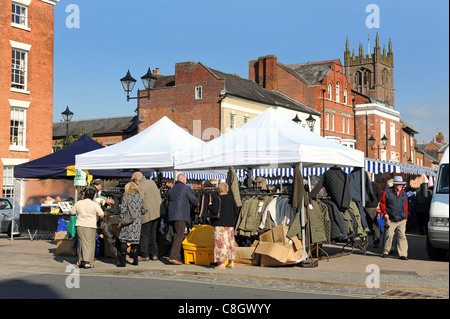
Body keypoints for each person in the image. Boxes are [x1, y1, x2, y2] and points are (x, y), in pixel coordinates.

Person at [165, 173, 198, 265]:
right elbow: (195, 201)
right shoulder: (186, 188)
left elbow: (166, 205)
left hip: (171, 216)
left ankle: (178, 258)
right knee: (178, 236)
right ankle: (173, 257)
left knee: (174, 237)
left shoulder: (171, 190)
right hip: (181, 216)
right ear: (183, 180)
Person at [131, 171, 163, 261]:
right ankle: (155, 254)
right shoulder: (152, 182)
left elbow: (139, 202)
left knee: (144, 234)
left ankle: (145, 255)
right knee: (154, 234)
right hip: (157, 213)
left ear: (137, 180)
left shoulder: (140, 187)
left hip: (147, 214)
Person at [70, 188, 104, 269]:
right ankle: (87, 262)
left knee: (81, 243)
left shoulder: (79, 203)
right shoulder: (94, 204)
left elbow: (72, 212)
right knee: (89, 243)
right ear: (93, 196)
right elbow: (101, 215)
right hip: (90, 225)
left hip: (79, 225)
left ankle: (80, 261)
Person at [117, 182, 148, 267]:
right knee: (135, 242)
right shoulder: (139, 197)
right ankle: (135, 260)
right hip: (137, 222)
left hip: (127, 222)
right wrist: (137, 213)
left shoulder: (126, 197)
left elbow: (123, 210)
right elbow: (145, 210)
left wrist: (120, 221)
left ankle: (123, 262)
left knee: (124, 241)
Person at [208, 183, 238, 269]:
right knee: (229, 243)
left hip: (220, 224)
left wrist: (209, 206)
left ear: (219, 189)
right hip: (230, 224)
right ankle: (231, 262)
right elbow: (235, 212)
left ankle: (222, 263)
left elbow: (214, 210)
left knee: (220, 244)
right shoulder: (231, 199)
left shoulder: (217, 199)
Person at [379, 176, 409, 260]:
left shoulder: (404, 193)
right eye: (398, 184)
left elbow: (405, 206)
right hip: (390, 218)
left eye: (401, 184)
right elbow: (382, 203)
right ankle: (385, 252)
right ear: (394, 184)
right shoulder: (387, 191)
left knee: (402, 236)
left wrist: (406, 217)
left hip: (402, 219)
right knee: (389, 235)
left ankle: (403, 254)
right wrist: (385, 213)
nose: (400, 186)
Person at [365, 180, 382, 248]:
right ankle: (375, 241)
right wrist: (376, 203)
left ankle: (366, 242)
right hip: (372, 206)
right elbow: (379, 195)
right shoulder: (375, 185)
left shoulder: (365, 184)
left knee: (367, 225)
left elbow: (379, 195)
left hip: (369, 206)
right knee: (373, 225)